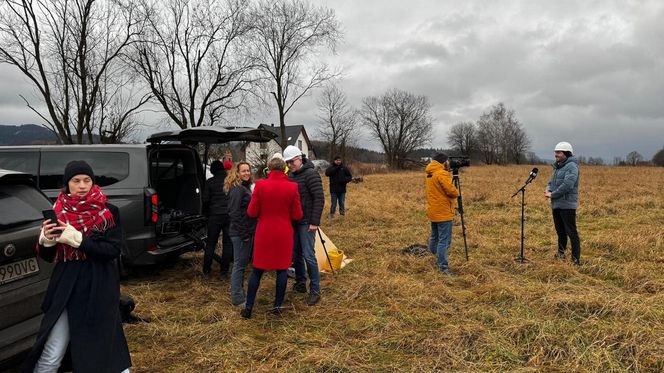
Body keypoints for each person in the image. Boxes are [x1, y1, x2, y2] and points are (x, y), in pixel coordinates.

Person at [24, 160, 131, 373]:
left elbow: (112, 251)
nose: (82, 185)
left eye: (87, 180)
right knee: (52, 350)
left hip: (99, 285)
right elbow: (48, 256)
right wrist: (46, 240)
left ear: (92, 182)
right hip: (66, 285)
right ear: (67, 184)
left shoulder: (108, 212)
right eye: (76, 181)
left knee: (105, 347)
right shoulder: (58, 210)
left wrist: (80, 240)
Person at [242, 157, 303, 318]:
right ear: (284, 169)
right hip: (283, 233)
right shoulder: (292, 187)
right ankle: (277, 306)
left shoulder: (260, 186)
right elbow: (297, 215)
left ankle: (248, 308)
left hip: (264, 233)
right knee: (282, 270)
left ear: (268, 169)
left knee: (257, 270)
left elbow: (251, 212)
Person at [283, 145, 325, 305]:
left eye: (291, 162)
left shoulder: (311, 174)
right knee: (296, 254)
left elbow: (319, 198)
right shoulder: (290, 176)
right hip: (294, 221)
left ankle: (315, 290)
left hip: (307, 222)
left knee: (309, 255)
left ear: (299, 159)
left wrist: (315, 222)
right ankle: (300, 282)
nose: (289, 165)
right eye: (287, 163)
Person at [225, 161, 256, 306]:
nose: (246, 173)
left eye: (248, 170)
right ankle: (237, 298)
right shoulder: (237, 189)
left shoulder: (245, 187)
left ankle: (240, 293)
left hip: (245, 231)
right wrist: (244, 234)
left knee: (242, 264)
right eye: (243, 171)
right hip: (240, 233)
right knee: (239, 265)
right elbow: (234, 213)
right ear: (237, 173)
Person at [545, 141, 581, 265]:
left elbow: (568, 185)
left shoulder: (572, 166)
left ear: (566, 153)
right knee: (560, 231)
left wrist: (553, 194)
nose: (556, 154)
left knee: (572, 232)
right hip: (556, 204)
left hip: (567, 205)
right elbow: (551, 183)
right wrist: (548, 190)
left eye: (559, 152)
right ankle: (561, 254)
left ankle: (575, 259)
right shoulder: (557, 166)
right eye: (555, 152)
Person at [425, 153, 459, 276]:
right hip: (443, 212)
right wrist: (455, 189)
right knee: (444, 241)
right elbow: (452, 192)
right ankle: (443, 267)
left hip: (433, 210)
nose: (449, 164)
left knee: (434, 237)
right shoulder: (442, 173)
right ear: (443, 162)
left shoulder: (430, 173)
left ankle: (431, 259)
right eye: (447, 161)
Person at [201, 160, 233, 279]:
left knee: (210, 244)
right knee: (227, 244)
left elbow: (205, 200)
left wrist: (206, 214)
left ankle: (206, 271)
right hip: (229, 216)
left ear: (213, 170)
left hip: (214, 216)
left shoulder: (210, 182)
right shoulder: (230, 182)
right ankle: (224, 272)